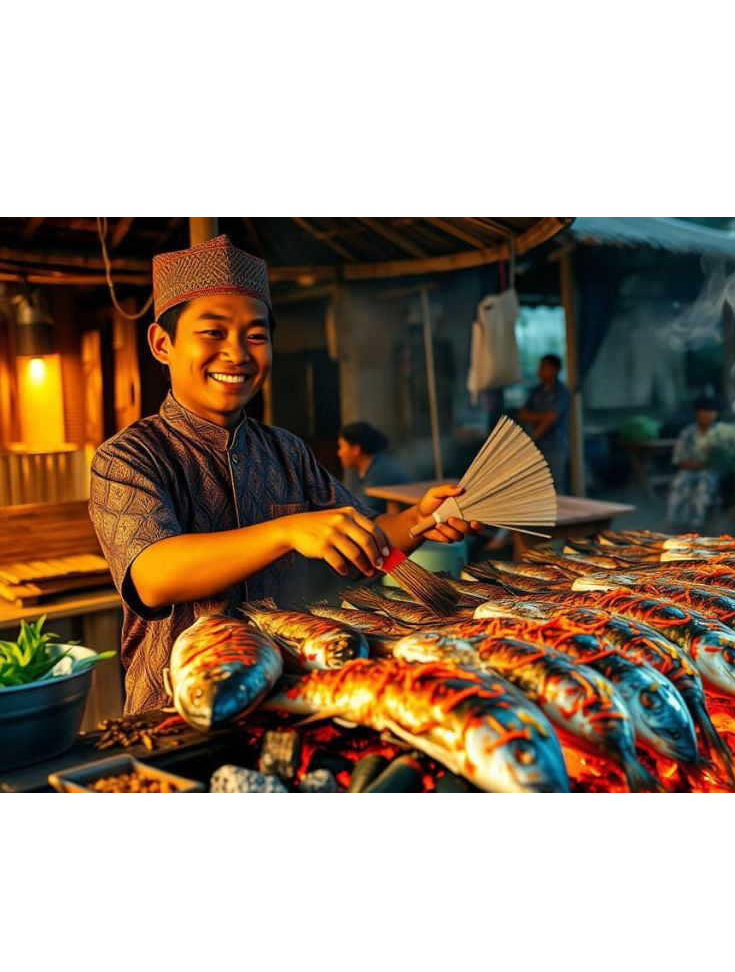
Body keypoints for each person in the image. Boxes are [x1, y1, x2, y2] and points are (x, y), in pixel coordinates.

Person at [88, 234, 479, 715]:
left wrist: (422, 518)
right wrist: (288, 530)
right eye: (213, 333)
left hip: (296, 701)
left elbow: (366, 537)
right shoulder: (128, 457)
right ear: (162, 343)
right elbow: (153, 575)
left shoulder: (286, 450)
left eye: (255, 335)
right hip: (178, 712)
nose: (237, 353)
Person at [666, 395, 722, 532]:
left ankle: (697, 526)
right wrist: (699, 464)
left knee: (704, 482)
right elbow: (679, 460)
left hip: (713, 474)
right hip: (689, 471)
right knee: (681, 482)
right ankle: (674, 523)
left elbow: (724, 461)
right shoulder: (687, 433)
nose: (707, 415)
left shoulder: (721, 433)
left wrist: (708, 464)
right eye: (703, 411)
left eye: (711, 411)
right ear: (696, 413)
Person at [519, 353, 570, 494]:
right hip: (537, 446)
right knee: (538, 487)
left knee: (555, 487)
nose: (539, 371)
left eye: (543, 367)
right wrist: (542, 417)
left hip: (555, 445)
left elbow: (551, 418)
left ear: (554, 369)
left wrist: (534, 434)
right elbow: (523, 414)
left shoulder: (561, 392)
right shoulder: (536, 391)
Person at [337, 421, 412, 512]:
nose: (339, 453)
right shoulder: (353, 469)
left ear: (356, 449)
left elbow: (360, 510)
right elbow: (344, 499)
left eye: (342, 447)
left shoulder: (382, 470)